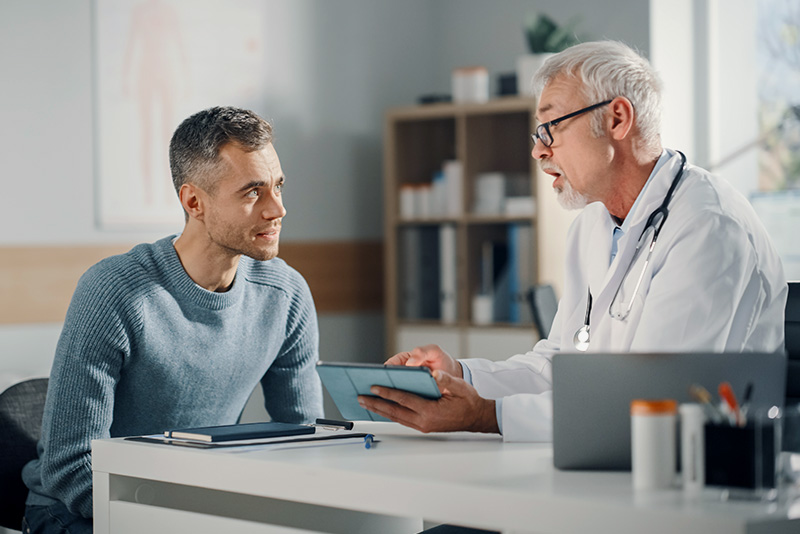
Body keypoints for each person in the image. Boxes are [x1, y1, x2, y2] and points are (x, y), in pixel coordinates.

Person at [359, 40, 787, 443]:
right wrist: (461, 378)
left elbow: (656, 400)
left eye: (552, 126)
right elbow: (559, 366)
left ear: (617, 119)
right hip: (607, 463)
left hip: (703, 480)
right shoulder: (593, 226)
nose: (539, 151)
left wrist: (486, 414)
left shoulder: (709, 227)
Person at [21, 106, 323, 533]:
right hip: (76, 512)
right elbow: (71, 469)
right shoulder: (113, 292)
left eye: (278, 186)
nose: (278, 209)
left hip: (192, 507)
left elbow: (303, 441)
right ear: (194, 202)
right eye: (254, 192)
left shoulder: (286, 295)